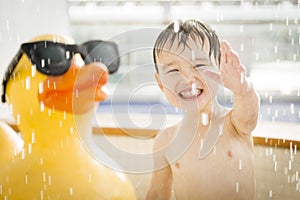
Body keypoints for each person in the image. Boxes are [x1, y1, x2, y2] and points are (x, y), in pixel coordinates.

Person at [146, 19, 260, 200]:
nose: (188, 79)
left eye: (198, 66)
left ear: (220, 70)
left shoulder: (235, 123)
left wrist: (243, 90)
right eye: (174, 71)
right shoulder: (166, 140)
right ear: (160, 83)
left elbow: (250, 114)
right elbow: (157, 194)